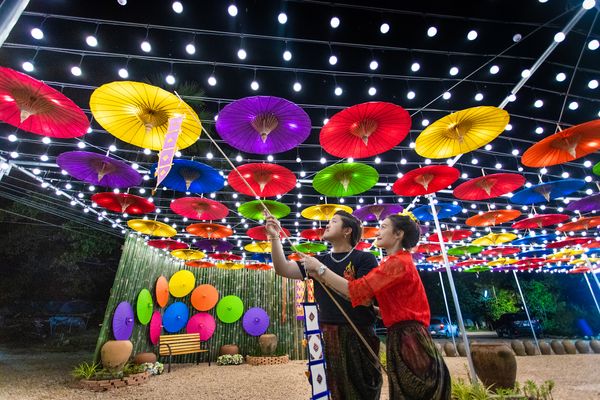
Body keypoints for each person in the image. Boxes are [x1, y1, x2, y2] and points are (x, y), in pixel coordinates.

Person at [303, 214, 451, 400]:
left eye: (383, 227)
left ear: (398, 234)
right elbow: (386, 305)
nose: (378, 232)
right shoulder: (395, 263)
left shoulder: (397, 264)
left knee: (414, 391)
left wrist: (320, 269)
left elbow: (355, 290)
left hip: (409, 340)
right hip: (405, 336)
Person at [265, 210, 383, 400]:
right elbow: (282, 268)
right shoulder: (318, 261)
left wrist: (320, 270)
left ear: (347, 230)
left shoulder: (365, 259)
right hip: (328, 332)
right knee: (336, 389)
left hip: (359, 333)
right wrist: (274, 237)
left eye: (333, 221)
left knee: (365, 387)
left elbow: (364, 296)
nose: (327, 225)